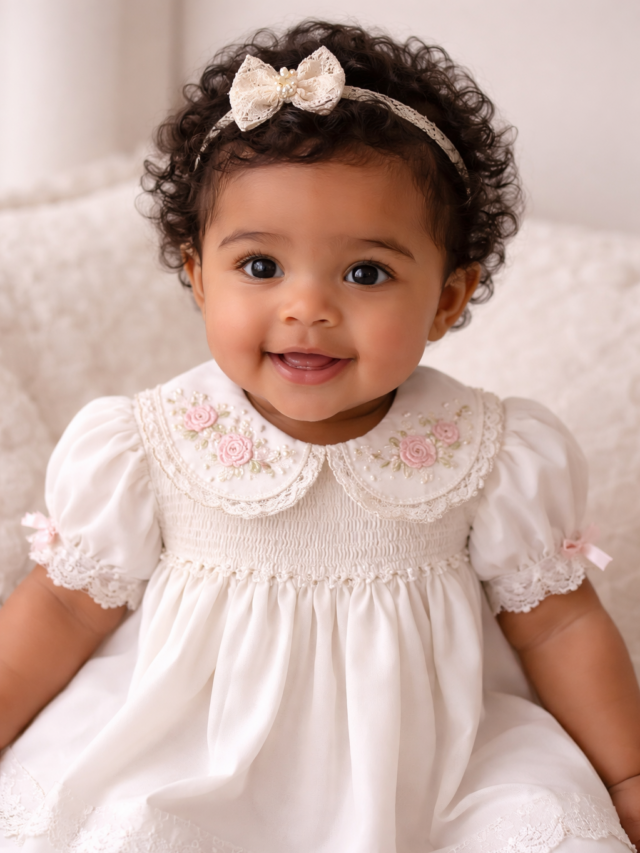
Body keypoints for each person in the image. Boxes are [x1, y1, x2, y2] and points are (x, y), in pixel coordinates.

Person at [0, 20, 639, 853]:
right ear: (196, 273)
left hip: (432, 775)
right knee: (134, 829)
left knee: (537, 830)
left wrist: (626, 772)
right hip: (196, 753)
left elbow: (557, 625)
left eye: (366, 272)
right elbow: (62, 608)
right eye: (260, 266)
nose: (307, 307)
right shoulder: (149, 444)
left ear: (448, 299)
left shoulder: (486, 450)